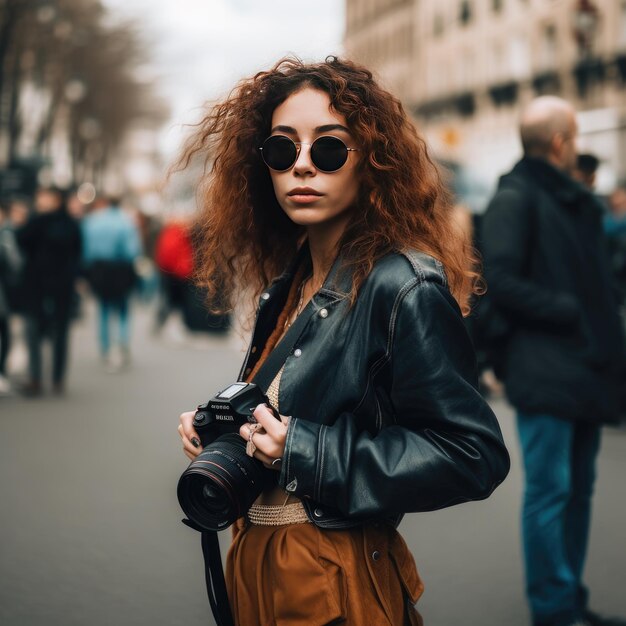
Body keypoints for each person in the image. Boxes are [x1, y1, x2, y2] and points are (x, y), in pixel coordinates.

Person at [177, 56, 510, 626]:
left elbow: (472, 454)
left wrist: (303, 452)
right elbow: (308, 400)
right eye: (283, 150)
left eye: (329, 149)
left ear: (371, 163)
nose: (303, 166)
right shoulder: (293, 278)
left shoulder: (403, 283)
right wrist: (230, 429)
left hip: (333, 576)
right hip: (256, 564)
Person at [482, 96, 626, 626]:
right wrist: (569, 310)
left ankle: (570, 598)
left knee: (578, 490)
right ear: (562, 143)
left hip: (586, 367)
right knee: (551, 491)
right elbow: (499, 280)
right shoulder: (516, 197)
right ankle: (553, 608)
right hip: (544, 366)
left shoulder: (574, 200)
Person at [16, 187, 82, 396]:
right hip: (47, 285)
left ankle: (47, 378)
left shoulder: (49, 222)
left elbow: (23, 240)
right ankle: (46, 378)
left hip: (49, 284)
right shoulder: (67, 223)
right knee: (41, 332)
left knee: (49, 332)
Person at [82, 196, 141, 370]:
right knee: (123, 308)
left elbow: (86, 251)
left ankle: (105, 347)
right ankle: (122, 343)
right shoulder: (126, 222)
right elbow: (132, 251)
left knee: (103, 308)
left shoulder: (92, 221)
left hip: (99, 269)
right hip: (120, 269)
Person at [0, 202, 23, 395]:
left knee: (5, 333)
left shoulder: (6, 237)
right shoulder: (6, 238)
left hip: (3, 295)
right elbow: (16, 265)